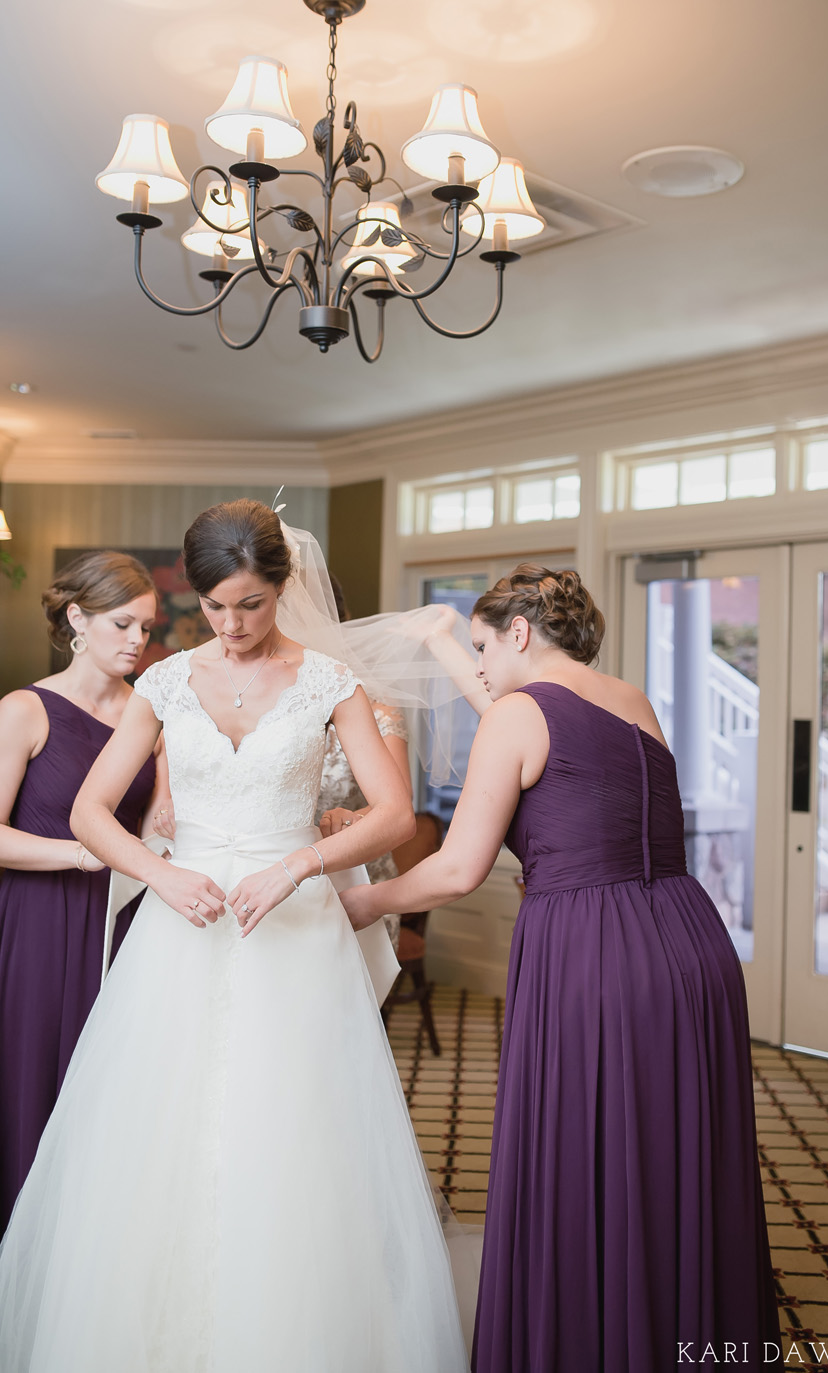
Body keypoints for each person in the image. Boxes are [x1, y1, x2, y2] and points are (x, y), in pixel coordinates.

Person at [0, 500, 470, 1372]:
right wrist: (161, 872)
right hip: (180, 935)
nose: (232, 624)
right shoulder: (168, 682)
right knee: (156, 1132)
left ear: (278, 590)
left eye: (249, 605)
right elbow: (89, 812)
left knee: (294, 1130)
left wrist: (299, 865)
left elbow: (396, 811)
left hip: (295, 939)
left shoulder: (330, 680)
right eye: (215, 605)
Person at [341, 564, 785, 1373]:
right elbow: (540, 751)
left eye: (480, 646)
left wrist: (367, 905)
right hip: (689, 945)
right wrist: (445, 647)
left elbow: (455, 869)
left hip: (593, 951)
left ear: (518, 633)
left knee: (591, 1144)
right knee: (671, 1147)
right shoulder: (630, 699)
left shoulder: (517, 714)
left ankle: (598, 1339)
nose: (476, 667)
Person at [0, 550, 163, 1234]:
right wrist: (81, 852)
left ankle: (83, 1250)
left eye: (147, 628)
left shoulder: (154, 716)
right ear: (77, 617)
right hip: (35, 920)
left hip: (124, 924)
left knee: (106, 1087)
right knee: (31, 1071)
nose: (136, 640)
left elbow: (159, 836)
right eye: (122, 623)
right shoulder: (24, 710)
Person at [316, 573, 412, 951]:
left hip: (356, 884)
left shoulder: (376, 709)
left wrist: (352, 818)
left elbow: (397, 806)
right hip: (270, 879)